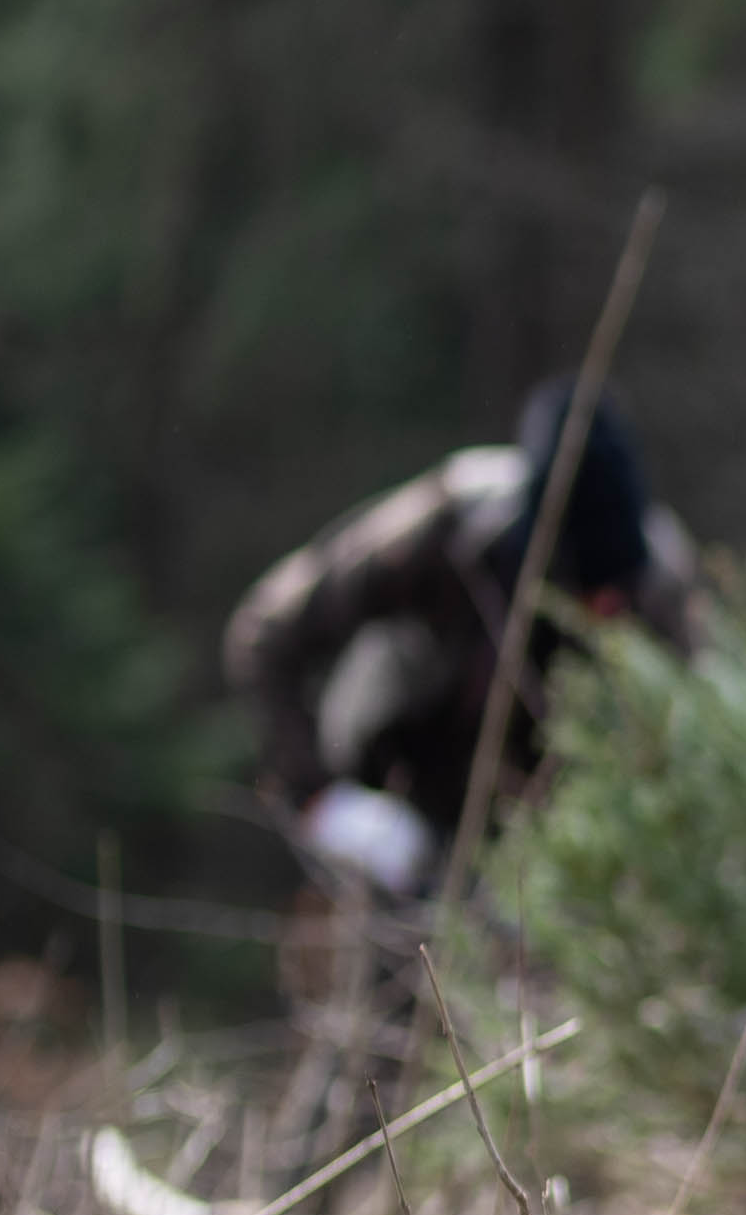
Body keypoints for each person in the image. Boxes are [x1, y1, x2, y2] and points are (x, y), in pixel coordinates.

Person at [221, 376, 702, 899]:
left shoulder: (662, 582)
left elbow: (697, 747)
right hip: (392, 831)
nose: (607, 608)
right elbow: (265, 635)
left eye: (619, 593)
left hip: (550, 866)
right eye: (586, 587)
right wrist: (324, 801)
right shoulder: (447, 529)